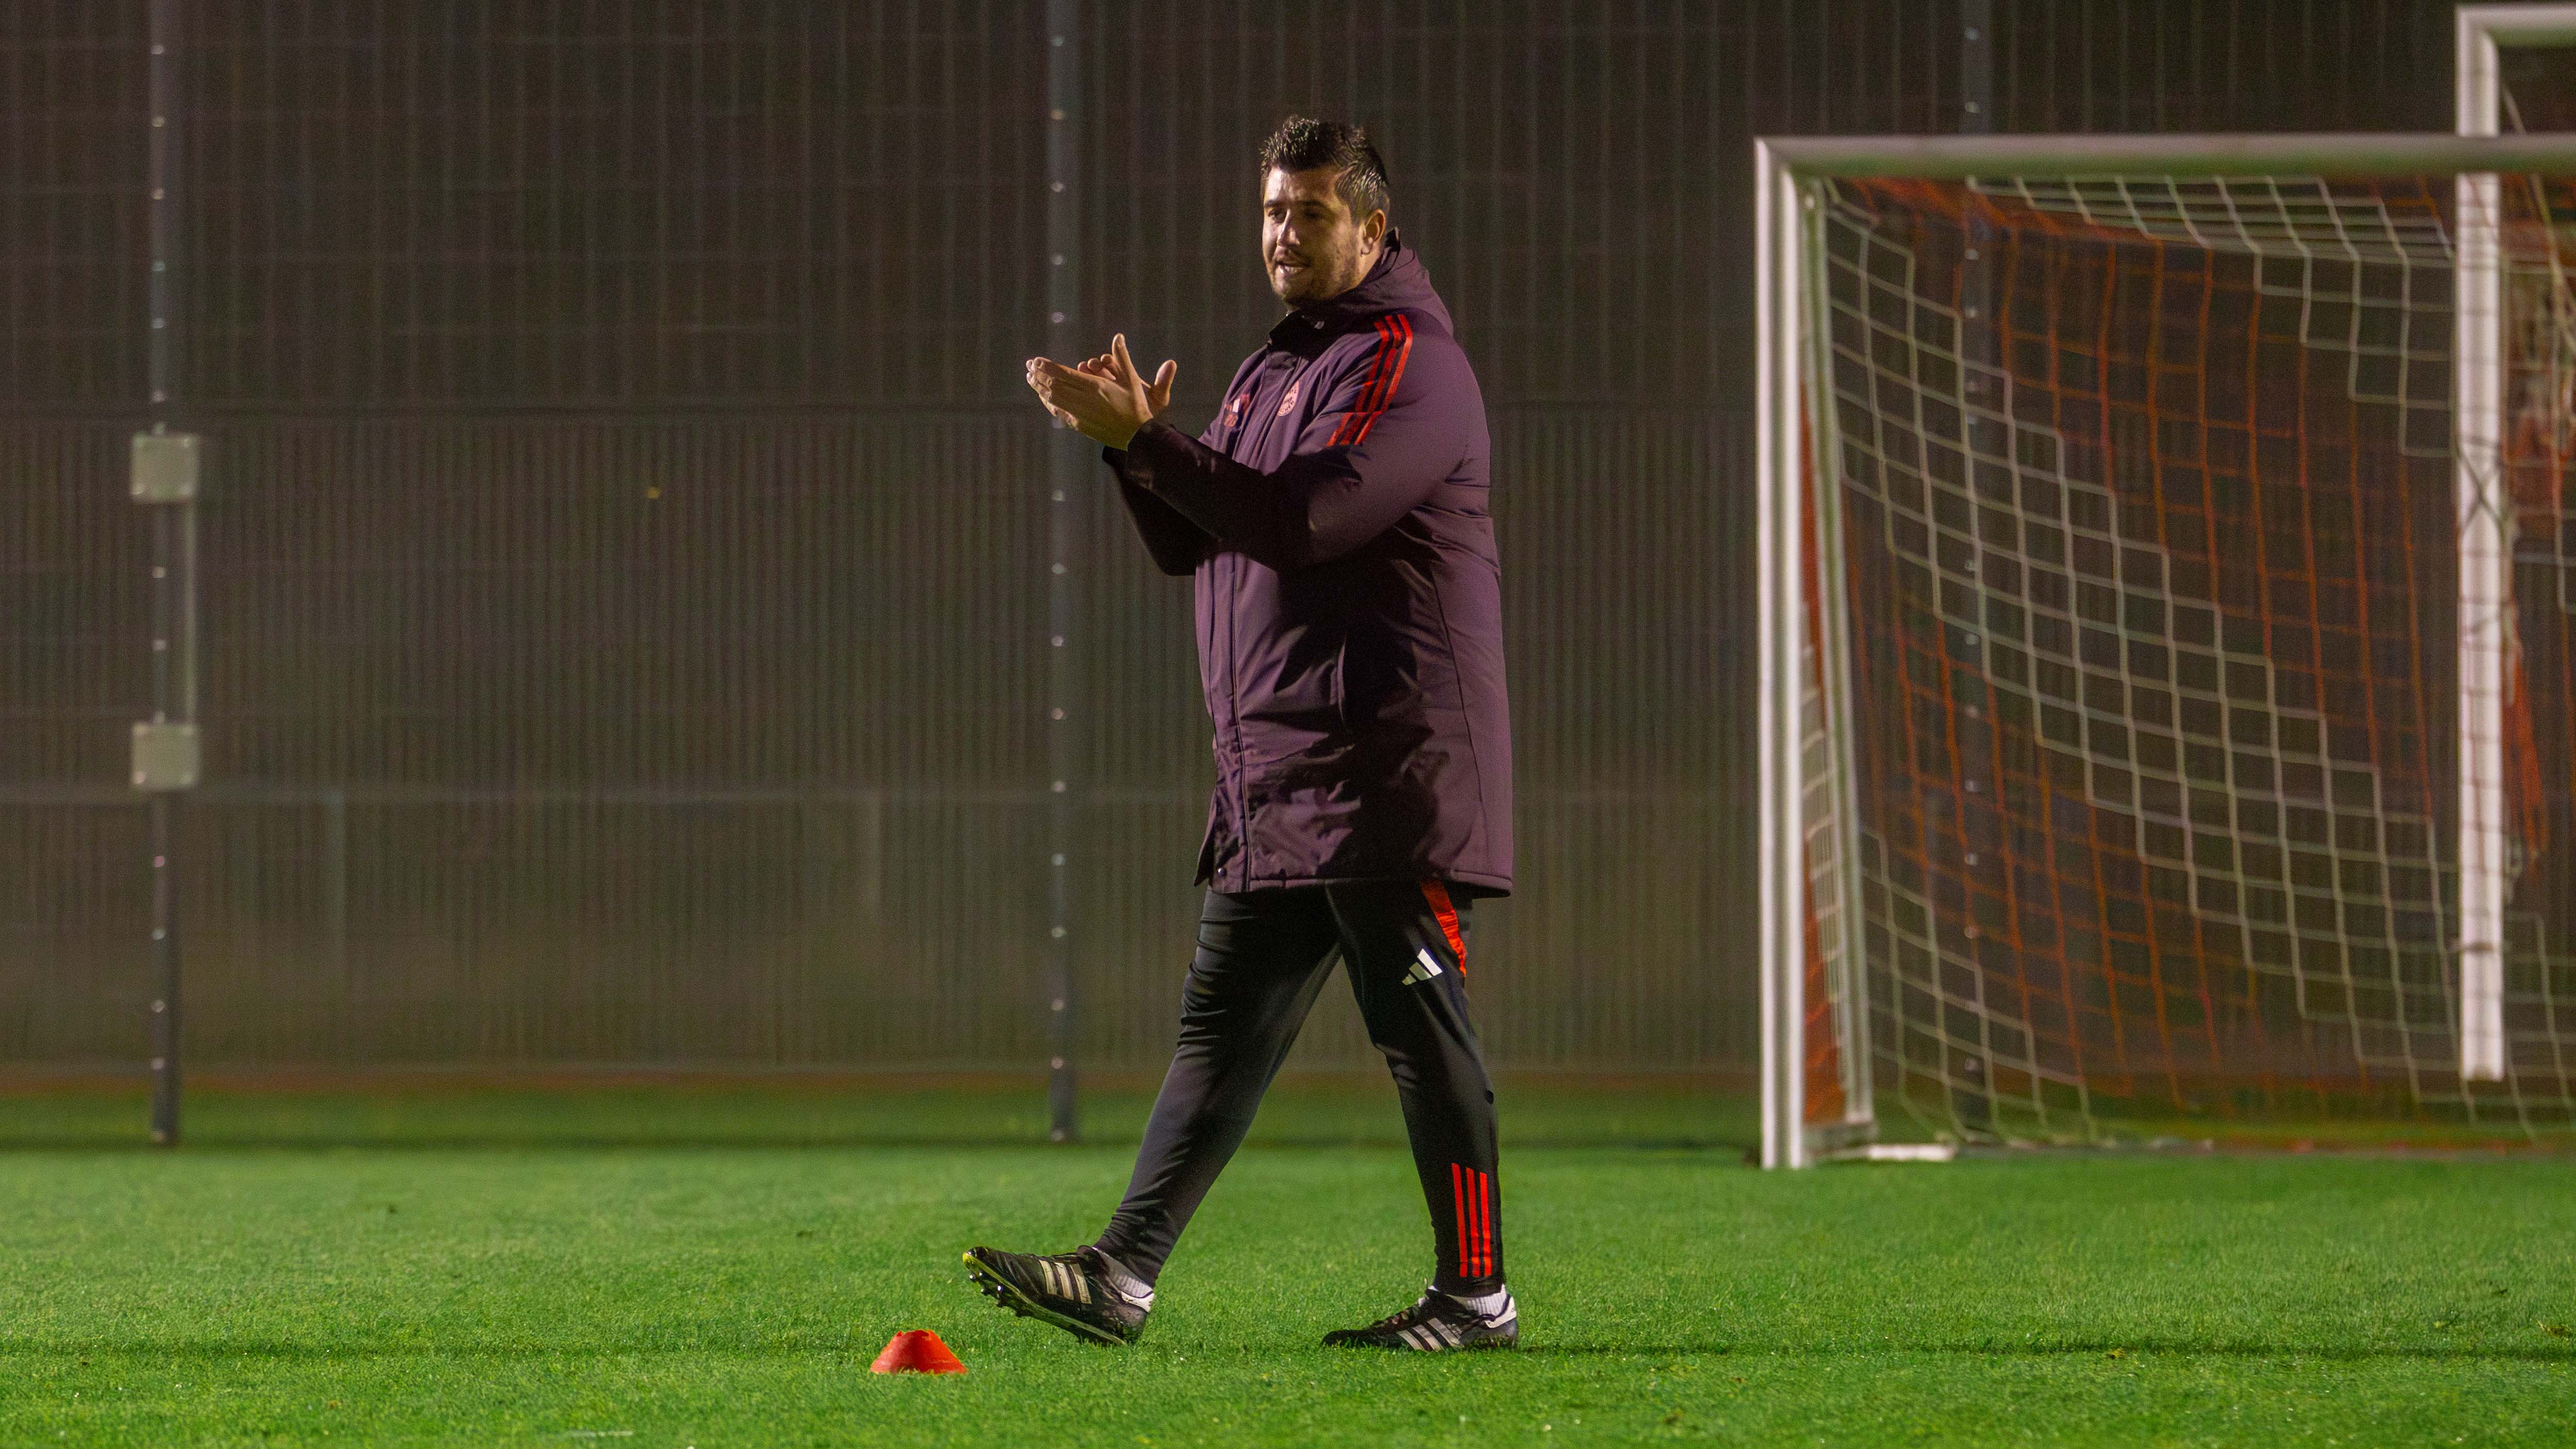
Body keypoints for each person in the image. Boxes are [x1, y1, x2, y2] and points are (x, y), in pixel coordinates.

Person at [966, 116, 1515, 1352]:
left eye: (1311, 212)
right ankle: (1124, 1273)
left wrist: (1152, 444)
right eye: (1273, 209)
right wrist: (1132, 453)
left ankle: (1477, 1297)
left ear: (1372, 228)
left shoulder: (1407, 359)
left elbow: (1309, 522)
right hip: (1279, 777)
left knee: (1423, 1032)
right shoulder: (1275, 370)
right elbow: (1196, 539)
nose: (1283, 231)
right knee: (1218, 1034)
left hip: (1386, 770)